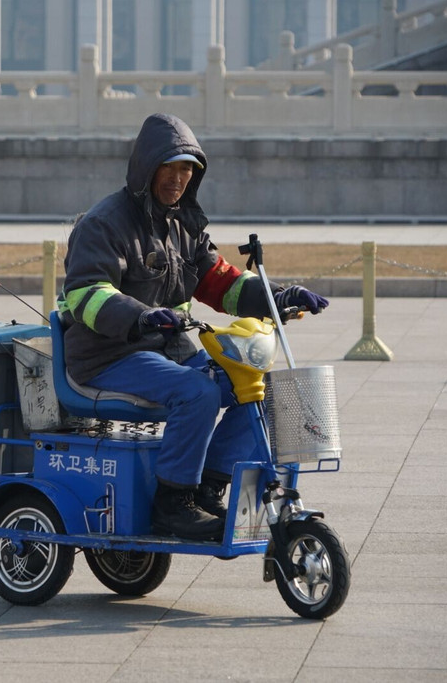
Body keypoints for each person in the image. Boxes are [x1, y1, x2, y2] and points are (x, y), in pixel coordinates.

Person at [59, 113, 328, 542]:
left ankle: (205, 489)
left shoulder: (183, 224)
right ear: (147, 167)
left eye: (188, 169)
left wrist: (280, 296)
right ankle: (173, 505)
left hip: (167, 350)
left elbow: (223, 282)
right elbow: (86, 294)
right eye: (171, 166)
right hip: (107, 355)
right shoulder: (103, 223)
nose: (180, 178)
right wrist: (141, 315)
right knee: (197, 393)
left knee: (251, 387)